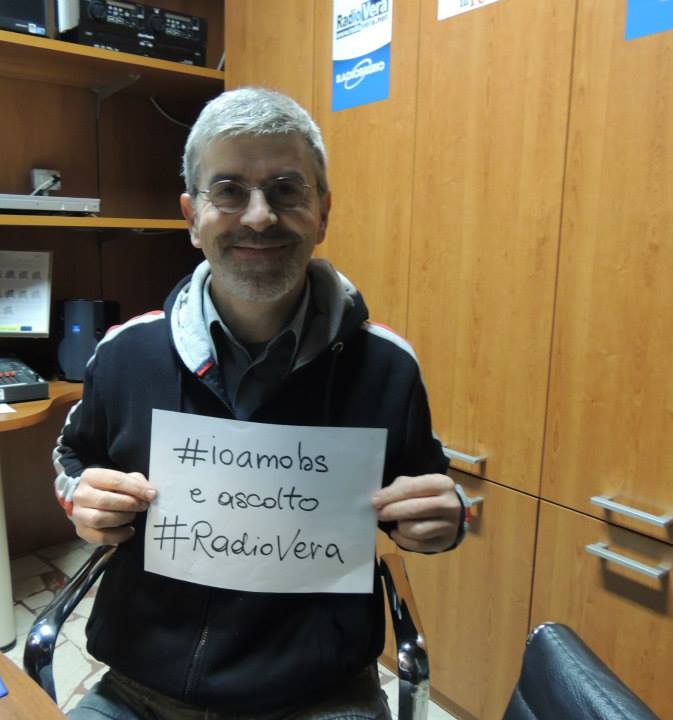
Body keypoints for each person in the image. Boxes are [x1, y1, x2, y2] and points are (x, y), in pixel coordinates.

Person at [53, 86, 465, 720]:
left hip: (320, 694)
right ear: (191, 216)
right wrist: (82, 498)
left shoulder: (388, 366)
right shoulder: (125, 353)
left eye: (286, 189)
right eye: (228, 191)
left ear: (322, 212)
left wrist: (444, 519)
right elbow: (72, 459)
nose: (259, 216)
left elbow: (427, 492)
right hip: (143, 689)